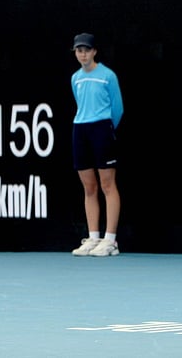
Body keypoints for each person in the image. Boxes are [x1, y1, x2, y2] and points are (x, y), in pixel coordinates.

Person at [70, 32, 124, 258]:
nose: (82, 54)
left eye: (86, 50)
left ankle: (110, 240)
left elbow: (118, 108)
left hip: (102, 129)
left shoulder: (108, 76)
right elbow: (79, 103)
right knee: (88, 186)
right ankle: (93, 237)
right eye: (78, 50)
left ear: (94, 52)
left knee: (107, 184)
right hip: (80, 129)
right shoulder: (75, 78)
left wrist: (105, 128)